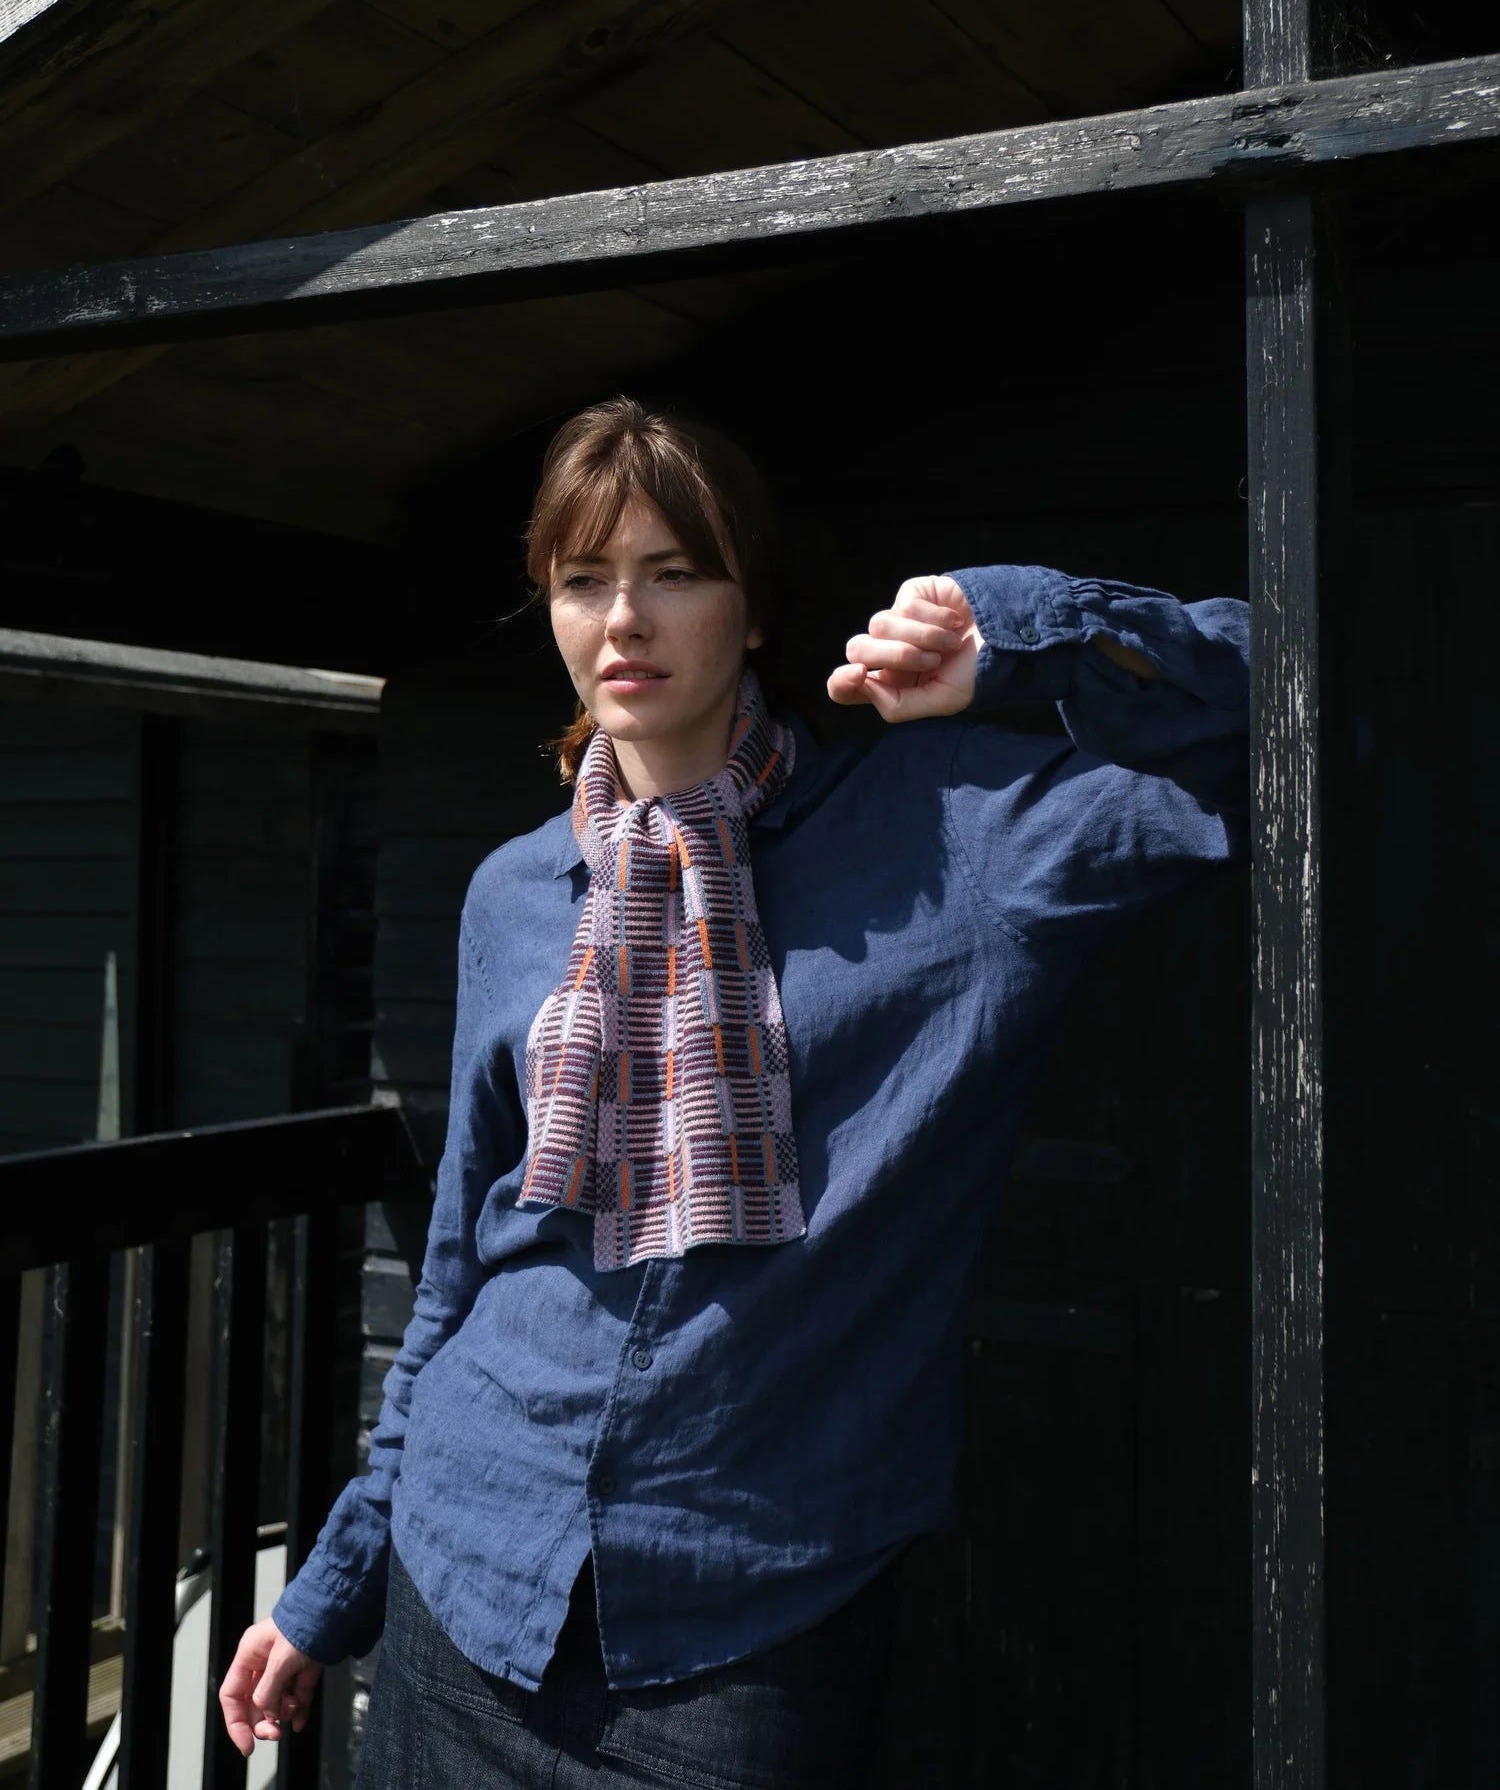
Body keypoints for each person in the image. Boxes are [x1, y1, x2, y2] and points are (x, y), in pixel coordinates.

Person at [219, 396, 1249, 1787]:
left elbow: (1275, 699)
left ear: (754, 607)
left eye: (675, 572)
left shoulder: (950, 843)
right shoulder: (516, 893)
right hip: (461, 1589)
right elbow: (464, 1264)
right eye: (584, 580)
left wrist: (1010, 642)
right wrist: (332, 1584)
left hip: (737, 1636)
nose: (624, 619)